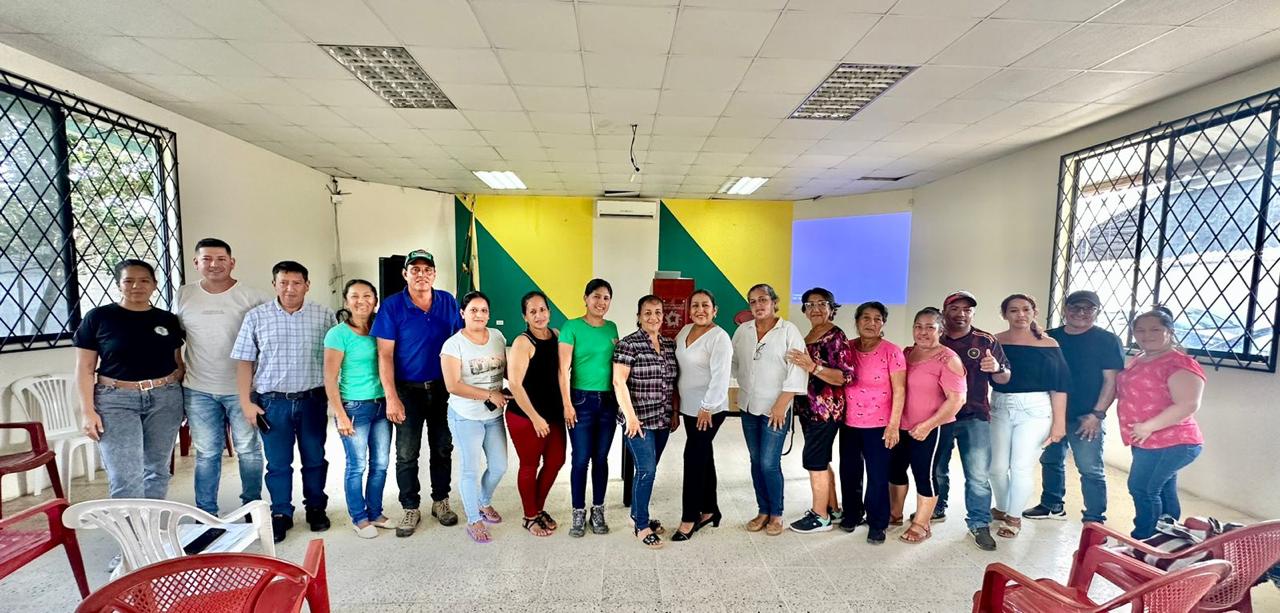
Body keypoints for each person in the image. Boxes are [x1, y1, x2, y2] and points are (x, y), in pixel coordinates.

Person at [232, 260, 334, 543]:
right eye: (284, 283)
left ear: (307, 285)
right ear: (274, 284)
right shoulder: (256, 317)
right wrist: (246, 403)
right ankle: (280, 513)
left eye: (296, 283)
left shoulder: (324, 315)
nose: (290, 289)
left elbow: (335, 358)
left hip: (312, 400)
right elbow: (244, 362)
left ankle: (316, 507)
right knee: (277, 463)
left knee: (315, 458)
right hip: (272, 403)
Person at [75, 259, 185, 501]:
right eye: (129, 281)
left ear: (154, 284)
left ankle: (152, 520)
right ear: (119, 285)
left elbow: (178, 362)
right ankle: (130, 525)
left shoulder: (167, 319)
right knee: (125, 475)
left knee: (157, 469)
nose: (137, 286)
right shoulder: (99, 317)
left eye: (144, 280)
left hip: (165, 398)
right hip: (116, 400)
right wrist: (87, 412)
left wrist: (179, 394)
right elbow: (84, 368)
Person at [371, 250, 463, 537]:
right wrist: (391, 397)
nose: (421, 274)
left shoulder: (447, 301)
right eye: (415, 269)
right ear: (405, 274)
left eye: (427, 269)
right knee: (406, 452)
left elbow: (461, 343)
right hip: (407, 391)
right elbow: (385, 355)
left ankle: (440, 501)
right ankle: (410, 507)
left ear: (434, 274)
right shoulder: (392, 306)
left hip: (442, 389)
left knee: (442, 447)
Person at [175, 237, 268, 517]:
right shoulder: (184, 294)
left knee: (248, 450)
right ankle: (206, 513)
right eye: (206, 259)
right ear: (196, 263)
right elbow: (176, 337)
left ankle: (251, 507)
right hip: (198, 388)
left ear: (232, 262)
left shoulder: (252, 297)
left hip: (242, 390)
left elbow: (268, 341)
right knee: (206, 453)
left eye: (220, 259)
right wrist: (179, 367)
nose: (214, 264)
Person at [1025, 290, 1124, 524]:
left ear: (1097, 312)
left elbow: (1112, 381)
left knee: (1090, 469)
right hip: (1050, 414)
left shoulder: (1108, 340)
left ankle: (1094, 520)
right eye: (1075, 307)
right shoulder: (1049, 337)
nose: (1081, 313)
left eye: (1088, 308)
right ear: (1065, 309)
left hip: (1087, 417)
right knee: (1050, 461)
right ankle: (1052, 505)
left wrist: (1097, 415)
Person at [1116, 307, 1205, 539]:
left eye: (1155, 329)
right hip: (1146, 440)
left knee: (1142, 488)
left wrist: (1147, 427)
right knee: (1162, 489)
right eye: (1140, 330)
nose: (1147, 335)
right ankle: (1167, 536)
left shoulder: (1178, 363)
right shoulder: (1141, 358)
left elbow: (1188, 404)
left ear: (1170, 331)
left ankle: (1143, 540)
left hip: (1172, 441)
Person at [936, 290, 1010, 551]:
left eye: (967, 309)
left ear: (973, 314)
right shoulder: (935, 338)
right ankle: (936, 507)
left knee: (977, 475)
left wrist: (997, 368)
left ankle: (979, 523)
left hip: (974, 416)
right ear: (944, 312)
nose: (961, 314)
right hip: (940, 416)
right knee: (937, 468)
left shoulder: (985, 341)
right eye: (955, 308)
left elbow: (1005, 377)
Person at [989, 294, 1068, 539]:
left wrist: (1059, 425)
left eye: (1026, 309)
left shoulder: (1049, 344)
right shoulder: (994, 341)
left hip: (1035, 409)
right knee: (996, 468)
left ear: (1034, 312)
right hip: (1000, 405)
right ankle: (1003, 507)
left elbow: (1060, 385)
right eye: (1013, 310)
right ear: (1004, 314)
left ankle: (1014, 517)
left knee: (1020, 467)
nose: (1020, 315)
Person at [732, 283, 807, 536]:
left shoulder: (788, 331)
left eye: (763, 299)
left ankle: (776, 514)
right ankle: (762, 510)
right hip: (748, 406)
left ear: (774, 302)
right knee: (755, 461)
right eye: (753, 301)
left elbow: (798, 370)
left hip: (776, 410)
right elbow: (733, 363)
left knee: (769, 463)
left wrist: (781, 405)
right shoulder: (743, 331)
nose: (758, 305)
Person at [890, 308, 966, 544]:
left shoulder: (948, 358)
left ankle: (922, 524)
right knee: (895, 470)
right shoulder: (906, 353)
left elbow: (957, 400)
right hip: (902, 426)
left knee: (924, 474)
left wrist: (927, 425)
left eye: (930, 327)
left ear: (941, 330)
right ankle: (894, 514)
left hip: (934, 428)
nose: (922, 332)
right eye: (918, 326)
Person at [323, 279, 391, 539]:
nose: (361, 301)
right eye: (355, 296)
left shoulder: (381, 329)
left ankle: (375, 512)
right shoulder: (338, 334)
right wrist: (340, 415)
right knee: (357, 465)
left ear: (375, 300)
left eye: (367, 296)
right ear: (346, 301)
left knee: (381, 464)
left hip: (382, 404)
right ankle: (359, 518)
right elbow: (330, 378)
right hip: (354, 407)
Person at [440, 291, 509, 544]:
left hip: (494, 414)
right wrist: (489, 394)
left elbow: (506, 371)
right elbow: (453, 385)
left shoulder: (498, 337)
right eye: (473, 310)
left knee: (499, 466)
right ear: (463, 313)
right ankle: (473, 519)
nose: (479, 315)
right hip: (465, 415)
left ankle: (483, 501)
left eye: (483, 310)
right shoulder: (453, 345)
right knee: (470, 469)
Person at [784, 287, 854, 534]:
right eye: (810, 304)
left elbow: (844, 376)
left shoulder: (835, 336)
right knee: (821, 460)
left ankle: (820, 516)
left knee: (814, 461)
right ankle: (833, 509)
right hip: (809, 409)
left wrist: (813, 367)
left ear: (831, 309)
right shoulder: (811, 334)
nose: (815, 308)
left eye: (821, 303)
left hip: (825, 410)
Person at [613, 295, 679, 549]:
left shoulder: (669, 344)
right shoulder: (629, 344)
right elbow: (619, 382)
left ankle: (637, 514)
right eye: (648, 312)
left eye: (658, 312)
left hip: (662, 419)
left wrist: (674, 412)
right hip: (637, 421)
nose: (653, 317)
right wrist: (630, 417)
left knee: (646, 471)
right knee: (647, 471)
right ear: (639, 316)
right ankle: (641, 525)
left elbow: (672, 382)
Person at [558, 279, 620, 538]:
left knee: (601, 458)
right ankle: (578, 511)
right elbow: (563, 370)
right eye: (596, 296)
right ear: (585, 298)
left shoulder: (612, 328)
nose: (601, 302)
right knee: (581, 459)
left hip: (608, 401)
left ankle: (598, 510)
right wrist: (567, 404)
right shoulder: (571, 327)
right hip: (580, 401)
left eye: (606, 297)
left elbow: (617, 365)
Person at [840, 301, 906, 544]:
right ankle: (852, 514)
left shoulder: (892, 351)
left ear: (883, 324)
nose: (871, 323)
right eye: (866, 318)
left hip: (879, 425)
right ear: (857, 322)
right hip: (848, 423)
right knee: (849, 472)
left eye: (877, 319)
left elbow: (900, 390)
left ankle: (878, 523)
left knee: (877, 476)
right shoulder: (846, 348)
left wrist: (893, 425)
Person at [672, 289, 733, 541]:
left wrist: (707, 407)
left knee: (693, 457)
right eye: (695, 305)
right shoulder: (685, 331)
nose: (700, 310)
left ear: (714, 310)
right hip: (689, 408)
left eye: (705, 305)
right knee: (704, 456)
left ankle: (689, 518)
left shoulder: (720, 338)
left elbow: (721, 377)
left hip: (708, 410)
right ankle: (710, 510)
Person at [506, 291, 567, 537]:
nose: (539, 315)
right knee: (530, 464)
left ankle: (537, 508)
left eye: (542, 310)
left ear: (549, 312)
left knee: (556, 460)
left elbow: (562, 373)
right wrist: (535, 418)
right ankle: (530, 516)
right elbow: (515, 384)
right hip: (525, 416)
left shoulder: (557, 335)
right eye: (532, 311)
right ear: (525, 316)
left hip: (553, 414)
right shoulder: (523, 342)